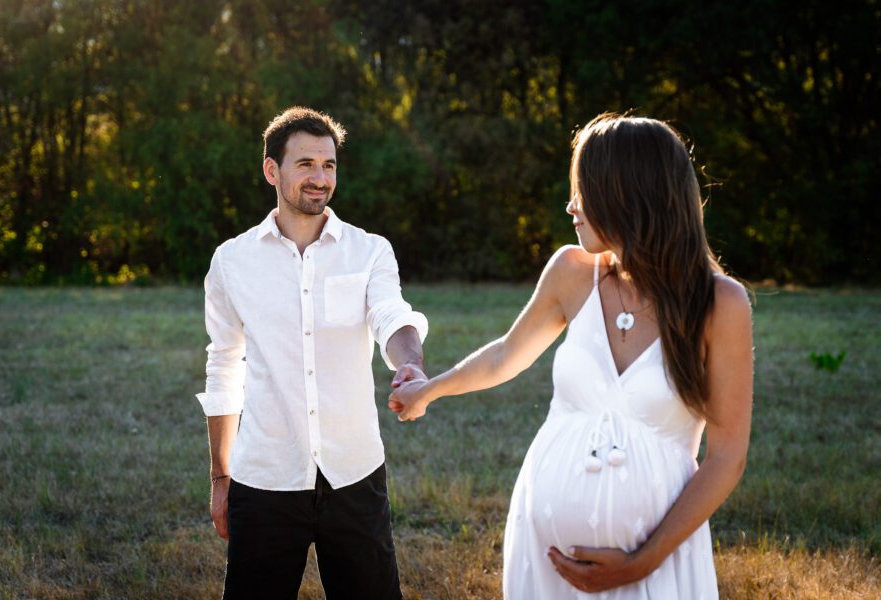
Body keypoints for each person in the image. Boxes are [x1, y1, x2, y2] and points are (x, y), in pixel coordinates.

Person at [388, 113, 753, 598]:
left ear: (629, 192)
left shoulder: (720, 303)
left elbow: (726, 457)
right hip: (545, 560)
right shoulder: (572, 271)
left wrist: (641, 562)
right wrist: (427, 391)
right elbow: (505, 356)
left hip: (658, 564)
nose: (571, 205)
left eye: (584, 189)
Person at [196, 106, 428, 599]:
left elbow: (392, 316)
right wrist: (221, 475)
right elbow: (223, 367)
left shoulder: (369, 251)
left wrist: (410, 363)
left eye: (329, 165)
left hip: (355, 472)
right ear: (271, 171)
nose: (320, 178)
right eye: (306, 165)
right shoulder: (232, 262)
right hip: (264, 478)